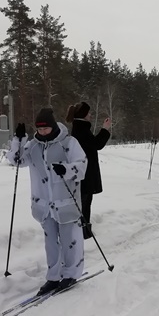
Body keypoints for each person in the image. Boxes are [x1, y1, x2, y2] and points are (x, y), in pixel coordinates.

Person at [8, 108, 88, 295]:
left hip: (66, 202)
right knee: (50, 243)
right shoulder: (33, 145)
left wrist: (66, 169)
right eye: (39, 129)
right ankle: (53, 277)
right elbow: (17, 161)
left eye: (45, 129)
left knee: (70, 241)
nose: (42, 132)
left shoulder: (68, 143)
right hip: (44, 204)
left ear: (52, 126)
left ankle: (70, 274)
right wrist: (18, 141)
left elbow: (82, 165)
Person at [66, 101, 110, 240]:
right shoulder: (81, 129)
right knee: (85, 201)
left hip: (83, 171)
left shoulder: (79, 127)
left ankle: (83, 230)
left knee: (84, 200)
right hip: (85, 172)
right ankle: (83, 231)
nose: (91, 115)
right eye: (89, 113)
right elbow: (96, 144)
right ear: (84, 115)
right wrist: (105, 129)